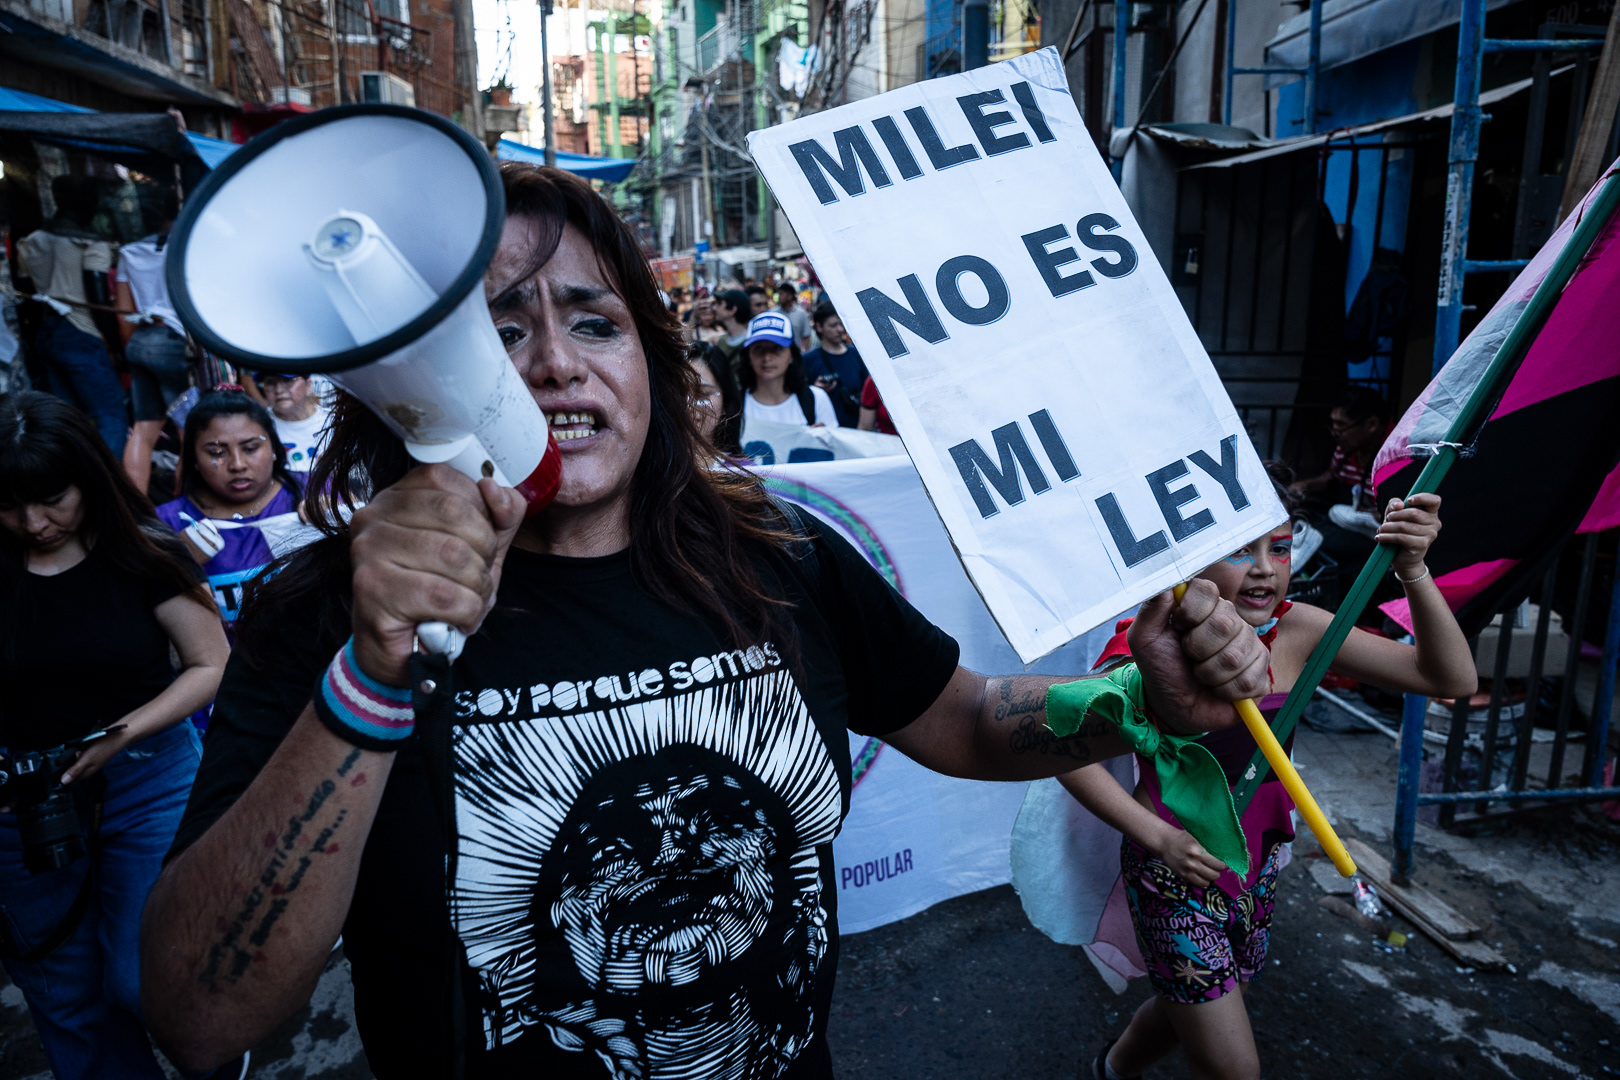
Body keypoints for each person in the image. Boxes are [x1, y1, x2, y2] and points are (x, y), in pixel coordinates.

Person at [139, 162, 1266, 1079]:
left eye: (596, 321)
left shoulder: (781, 559)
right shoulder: (324, 617)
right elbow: (198, 1020)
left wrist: (1136, 701)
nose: (553, 366)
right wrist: (370, 679)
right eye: (498, 335)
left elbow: (964, 718)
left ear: (651, 361)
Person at [1058, 470, 1474, 1080]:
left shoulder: (1297, 629)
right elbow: (1064, 747)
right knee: (1234, 1068)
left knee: (1213, 996)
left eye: (1278, 548)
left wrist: (1413, 569)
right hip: (1178, 873)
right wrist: (1160, 838)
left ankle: (1113, 1069)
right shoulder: (1147, 647)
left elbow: (1451, 680)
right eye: (1237, 551)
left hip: (1259, 864)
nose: (1264, 569)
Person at [0, 391, 230, 1080]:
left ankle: (220, 1049)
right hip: (24, 799)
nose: (33, 523)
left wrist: (118, 736)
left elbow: (211, 662)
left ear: (88, 477)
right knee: (67, 996)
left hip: (147, 777)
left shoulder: (144, 550)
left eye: (52, 499)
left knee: (144, 977)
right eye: (10, 505)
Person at [155, 389, 304, 631]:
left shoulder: (319, 491)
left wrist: (342, 522)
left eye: (251, 448)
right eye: (217, 453)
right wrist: (176, 566)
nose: (237, 465)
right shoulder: (168, 523)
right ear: (193, 458)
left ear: (275, 448)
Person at [17, 177, 128, 458]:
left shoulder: (31, 241)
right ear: (83, 203)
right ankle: (105, 486)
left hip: (47, 333)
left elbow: (27, 297)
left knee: (67, 420)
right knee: (111, 415)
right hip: (81, 333)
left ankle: (74, 481)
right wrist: (116, 348)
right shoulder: (89, 243)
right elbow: (98, 299)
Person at [116, 187, 190, 497]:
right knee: (191, 431)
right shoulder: (188, 248)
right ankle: (183, 507)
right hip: (175, 342)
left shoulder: (129, 252)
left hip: (141, 340)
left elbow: (123, 311)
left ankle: (138, 512)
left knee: (145, 428)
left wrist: (133, 349)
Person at [1290, 387, 1391, 569]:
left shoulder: (1394, 456)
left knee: (1319, 538)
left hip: (1379, 536)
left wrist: (1377, 516)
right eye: (1333, 425)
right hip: (1350, 524)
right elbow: (1332, 475)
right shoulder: (1347, 449)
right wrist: (1305, 485)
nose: (1334, 433)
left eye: (1342, 426)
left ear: (1371, 425)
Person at [737, 311, 839, 444]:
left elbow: (835, 456)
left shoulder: (816, 400)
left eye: (777, 348)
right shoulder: (735, 406)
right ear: (748, 356)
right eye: (758, 349)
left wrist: (825, 442)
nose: (767, 358)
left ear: (791, 355)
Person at [800, 302, 867, 429]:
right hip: (826, 431)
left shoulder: (856, 354)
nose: (840, 329)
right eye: (833, 325)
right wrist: (815, 390)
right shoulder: (808, 360)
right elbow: (801, 396)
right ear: (819, 327)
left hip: (858, 430)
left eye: (841, 324)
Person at [253, 372, 331, 475]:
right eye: (270, 383)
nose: (278, 390)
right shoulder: (258, 426)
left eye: (287, 380)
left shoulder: (332, 422)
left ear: (308, 385)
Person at [688, 341, 743, 456]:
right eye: (679, 392)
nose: (689, 404)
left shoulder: (742, 471)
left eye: (703, 394)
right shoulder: (648, 469)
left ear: (725, 403)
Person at [712, 288, 752, 360]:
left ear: (732, 310)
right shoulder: (721, 341)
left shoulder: (751, 341)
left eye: (719, 303)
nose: (714, 308)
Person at [775, 282, 812, 352]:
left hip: (795, 355)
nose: (779, 297)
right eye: (779, 294)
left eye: (781, 294)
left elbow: (806, 337)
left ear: (789, 296)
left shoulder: (801, 314)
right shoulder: (773, 313)